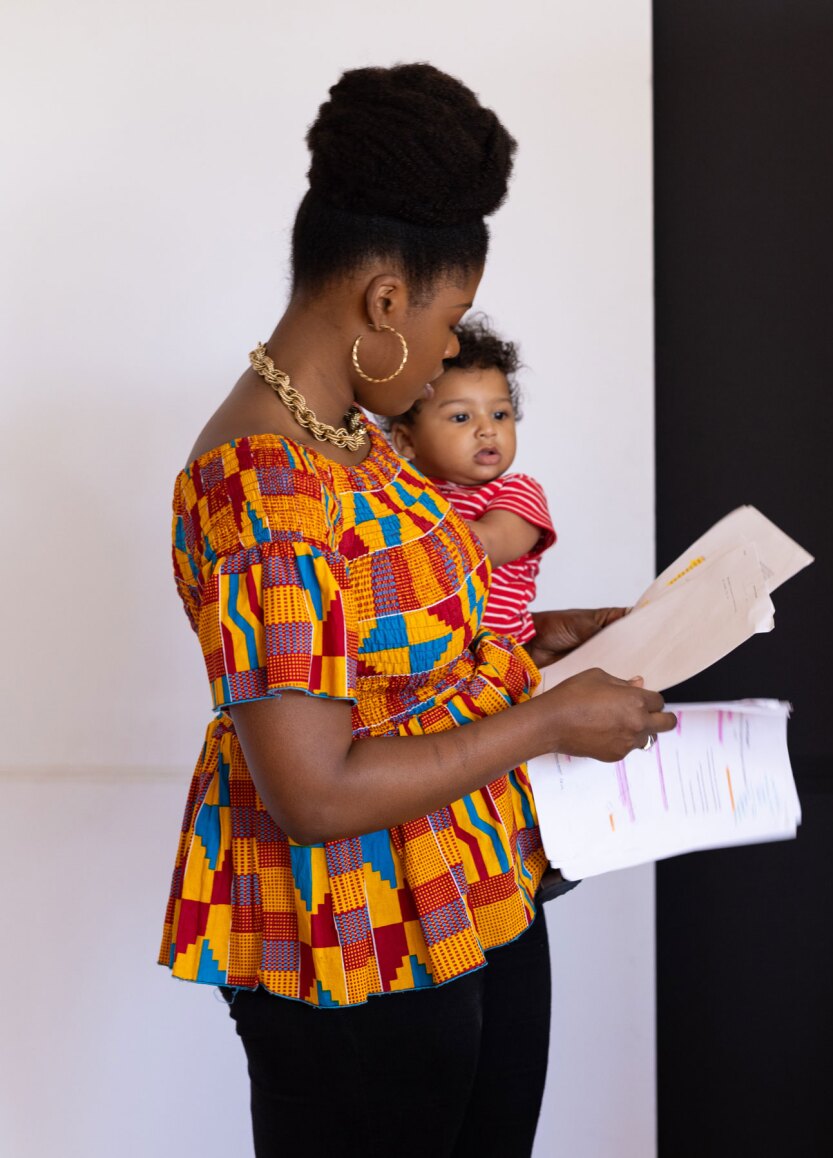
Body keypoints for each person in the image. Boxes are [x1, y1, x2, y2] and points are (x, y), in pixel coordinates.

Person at [160, 62, 675, 1158]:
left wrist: (536, 641)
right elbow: (312, 787)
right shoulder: (266, 486)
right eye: (448, 321)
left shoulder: (356, 437)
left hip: (471, 891)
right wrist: (547, 720)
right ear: (386, 303)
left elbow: (391, 652)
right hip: (360, 943)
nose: (452, 352)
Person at [389, 315, 555, 647]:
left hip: (493, 658)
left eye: (500, 414)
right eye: (462, 417)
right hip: (425, 654)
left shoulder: (517, 492)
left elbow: (485, 545)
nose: (488, 429)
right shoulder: (404, 493)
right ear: (407, 441)